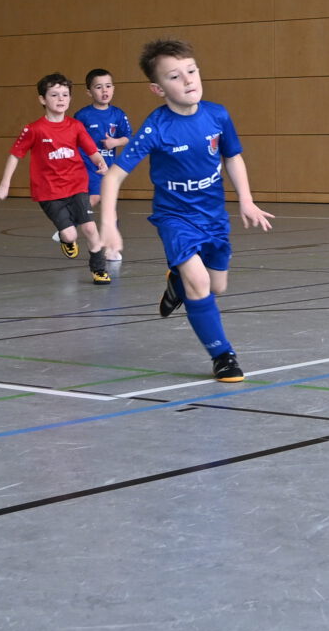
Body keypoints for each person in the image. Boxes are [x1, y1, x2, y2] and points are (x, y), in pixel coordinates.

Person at [100, 39, 275, 384]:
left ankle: (176, 283)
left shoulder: (217, 115)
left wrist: (246, 199)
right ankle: (223, 355)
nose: (188, 80)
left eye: (191, 71)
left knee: (216, 286)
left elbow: (232, 157)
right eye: (174, 76)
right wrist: (108, 224)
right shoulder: (156, 127)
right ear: (158, 88)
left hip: (213, 216)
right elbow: (114, 176)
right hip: (175, 218)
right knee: (200, 283)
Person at [0, 73, 113, 285]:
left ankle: (99, 269)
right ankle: (67, 240)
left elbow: (92, 151)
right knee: (70, 235)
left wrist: (100, 163)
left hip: (77, 186)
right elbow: (15, 155)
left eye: (65, 94)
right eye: (54, 95)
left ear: (70, 98)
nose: (60, 99)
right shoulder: (34, 129)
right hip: (49, 191)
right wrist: (4, 184)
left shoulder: (75, 126)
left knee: (90, 228)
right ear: (42, 99)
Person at [71, 68, 132, 267]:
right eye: (98, 87)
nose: (104, 90)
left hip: (109, 167)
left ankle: (71, 222)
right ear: (89, 92)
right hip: (88, 165)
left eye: (108, 86)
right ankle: (70, 224)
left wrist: (115, 142)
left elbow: (127, 137)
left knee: (107, 205)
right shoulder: (83, 115)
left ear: (113, 88)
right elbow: (72, 138)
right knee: (98, 199)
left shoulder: (118, 114)